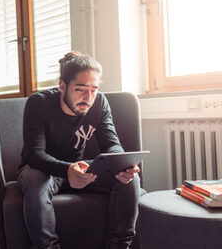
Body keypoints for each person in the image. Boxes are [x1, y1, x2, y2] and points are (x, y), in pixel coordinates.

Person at [16, 50, 140, 249]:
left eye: (94, 89)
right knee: (35, 179)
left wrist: (121, 164)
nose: (88, 97)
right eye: (81, 89)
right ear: (63, 86)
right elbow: (34, 154)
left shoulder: (99, 103)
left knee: (130, 180)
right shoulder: (39, 103)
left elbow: (111, 144)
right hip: (42, 169)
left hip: (80, 169)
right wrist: (67, 170)